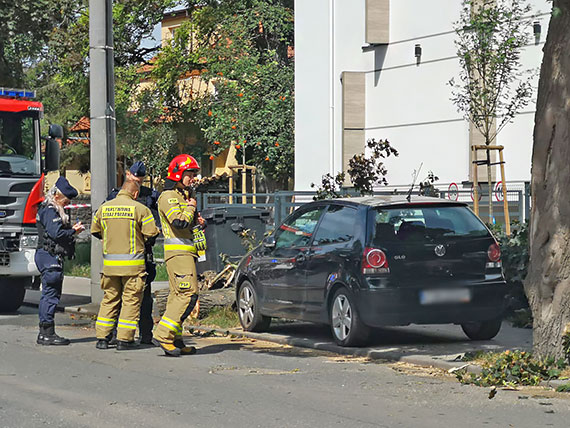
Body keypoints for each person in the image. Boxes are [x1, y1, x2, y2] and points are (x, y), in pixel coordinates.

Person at [91, 179, 159, 350]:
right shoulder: (140, 209)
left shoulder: (104, 208)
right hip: (133, 267)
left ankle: (102, 338)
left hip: (110, 267)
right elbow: (151, 233)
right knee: (131, 302)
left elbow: (95, 231)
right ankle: (124, 340)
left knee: (109, 300)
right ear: (135, 194)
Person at [152, 154, 206, 357]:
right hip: (178, 253)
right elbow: (179, 222)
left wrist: (198, 221)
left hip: (186, 251)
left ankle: (175, 338)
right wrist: (191, 208)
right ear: (178, 174)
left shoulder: (183, 195)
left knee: (177, 296)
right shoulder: (169, 197)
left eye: (194, 174)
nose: (193, 178)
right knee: (187, 294)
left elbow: (188, 224)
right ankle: (164, 334)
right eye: (190, 174)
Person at [107, 161, 159, 344]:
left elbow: (155, 225)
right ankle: (115, 336)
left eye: (139, 179)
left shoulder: (150, 197)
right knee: (117, 299)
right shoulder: (114, 196)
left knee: (144, 299)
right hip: (123, 256)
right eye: (133, 177)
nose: (136, 181)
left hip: (142, 255)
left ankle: (146, 335)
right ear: (128, 174)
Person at [35, 177, 84, 345]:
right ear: (56, 196)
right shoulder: (50, 211)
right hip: (49, 257)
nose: (66, 204)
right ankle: (47, 333)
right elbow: (56, 234)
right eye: (65, 201)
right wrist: (73, 232)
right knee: (51, 295)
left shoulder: (48, 209)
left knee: (49, 294)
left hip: (47, 256)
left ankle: (45, 333)